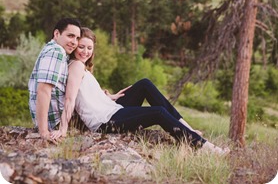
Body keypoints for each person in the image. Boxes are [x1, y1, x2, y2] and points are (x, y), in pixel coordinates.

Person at [52, 27, 229, 155]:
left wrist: (109, 96)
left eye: (89, 48)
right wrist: (64, 129)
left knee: (144, 84)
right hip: (104, 122)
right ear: (75, 47)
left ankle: (187, 127)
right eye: (81, 47)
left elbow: (87, 95)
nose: (85, 51)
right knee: (158, 113)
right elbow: (70, 98)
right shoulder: (75, 66)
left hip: (110, 109)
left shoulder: (81, 67)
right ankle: (203, 146)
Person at [28, 17, 81, 141]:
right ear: (56, 34)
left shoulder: (51, 49)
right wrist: (44, 132)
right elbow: (43, 91)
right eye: (70, 36)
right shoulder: (56, 52)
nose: (74, 42)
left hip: (56, 121)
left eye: (77, 38)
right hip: (57, 123)